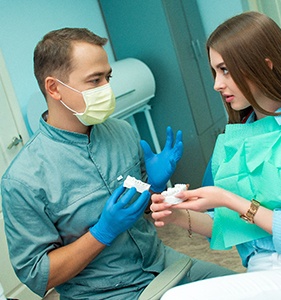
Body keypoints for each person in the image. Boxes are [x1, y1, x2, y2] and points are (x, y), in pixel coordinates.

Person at [1, 28, 235, 300]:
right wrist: (101, 233)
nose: (106, 89)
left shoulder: (121, 132)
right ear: (54, 88)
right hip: (105, 293)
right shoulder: (23, 179)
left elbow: (145, 207)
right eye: (95, 80)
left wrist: (154, 188)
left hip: (163, 265)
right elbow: (39, 275)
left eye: (107, 77)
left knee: (252, 290)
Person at [151, 11, 281, 299]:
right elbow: (231, 227)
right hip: (262, 271)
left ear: (266, 65)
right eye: (215, 72)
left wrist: (228, 198)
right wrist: (178, 215)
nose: (217, 84)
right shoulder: (236, 138)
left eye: (226, 70)